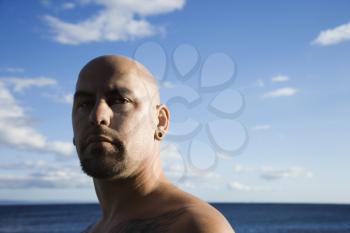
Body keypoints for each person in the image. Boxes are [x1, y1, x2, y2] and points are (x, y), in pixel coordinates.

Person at [72, 55, 235, 233]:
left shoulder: (194, 227)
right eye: (84, 104)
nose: (97, 116)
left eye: (119, 101)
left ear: (160, 121)